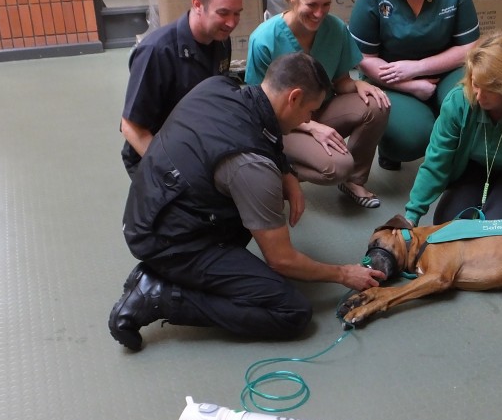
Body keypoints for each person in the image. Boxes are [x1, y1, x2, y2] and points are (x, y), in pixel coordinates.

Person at [108, 52, 386, 351]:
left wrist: (287, 172)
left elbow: (264, 129)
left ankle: (164, 274)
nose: (308, 120)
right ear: (293, 97)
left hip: (151, 206)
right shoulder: (251, 167)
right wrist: (343, 273)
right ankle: (161, 296)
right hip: (166, 238)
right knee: (291, 312)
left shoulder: (218, 87)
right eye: (310, 111)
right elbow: (281, 260)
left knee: (253, 213)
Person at [403, 34, 502, 275]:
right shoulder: (459, 101)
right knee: (448, 225)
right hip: (473, 169)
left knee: (494, 234)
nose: (478, 95)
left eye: (488, 89)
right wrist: (412, 215)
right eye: (474, 83)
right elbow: (436, 161)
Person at [246, 0, 390, 208]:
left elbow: (341, 80)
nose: (319, 13)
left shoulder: (335, 29)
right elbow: (258, 108)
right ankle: (277, 174)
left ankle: (354, 180)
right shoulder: (265, 38)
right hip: (282, 125)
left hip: (320, 110)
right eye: (312, 5)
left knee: (376, 104)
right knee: (337, 166)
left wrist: (359, 84)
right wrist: (312, 127)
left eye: (326, 5)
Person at [348, 0, 481, 172]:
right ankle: (391, 149)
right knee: (414, 137)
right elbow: (363, 57)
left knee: (467, 103)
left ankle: (463, 161)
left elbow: (470, 46)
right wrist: (410, 83)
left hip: (445, 72)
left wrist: (417, 68)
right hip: (390, 79)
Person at [119, 0, 245, 180]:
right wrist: (172, 172)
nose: (231, 23)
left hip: (198, 142)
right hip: (158, 152)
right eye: (223, 13)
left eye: (237, 14)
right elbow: (131, 127)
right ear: (197, 5)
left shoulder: (220, 40)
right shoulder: (156, 51)